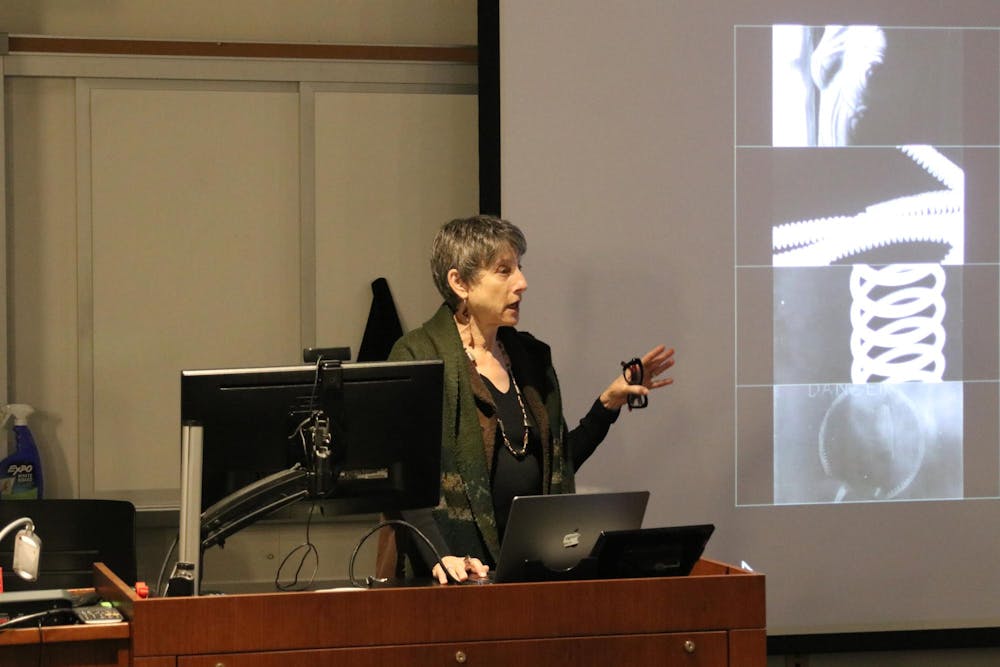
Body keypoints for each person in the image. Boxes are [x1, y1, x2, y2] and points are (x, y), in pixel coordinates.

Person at [377, 215, 675, 583]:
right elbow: (404, 479)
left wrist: (607, 405)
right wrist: (442, 555)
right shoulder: (418, 357)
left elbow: (557, 467)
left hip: (530, 570)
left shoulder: (531, 359)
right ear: (460, 282)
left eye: (519, 268)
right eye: (504, 271)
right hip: (456, 577)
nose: (522, 283)